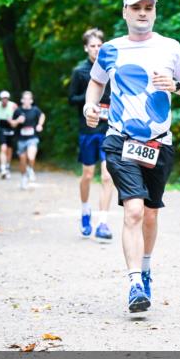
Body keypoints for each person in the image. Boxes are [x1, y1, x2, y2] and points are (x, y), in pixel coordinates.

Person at [84, 0, 180, 313]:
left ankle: (145, 268)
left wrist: (175, 85)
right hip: (121, 140)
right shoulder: (110, 50)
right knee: (133, 209)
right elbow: (96, 82)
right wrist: (90, 107)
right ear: (125, 12)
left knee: (150, 213)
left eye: (149, 7)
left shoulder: (170, 47)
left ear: (155, 11)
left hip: (159, 143)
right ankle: (134, 283)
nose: (143, 12)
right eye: (136, 7)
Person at [69, 28, 115, 239]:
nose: (96, 49)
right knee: (87, 175)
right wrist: (90, 103)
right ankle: (85, 210)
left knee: (108, 176)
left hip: (109, 130)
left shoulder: (112, 69)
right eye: (92, 46)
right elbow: (72, 99)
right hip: (88, 130)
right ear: (86, 48)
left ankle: (103, 223)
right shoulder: (80, 71)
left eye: (99, 45)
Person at [11, 91, 45, 190]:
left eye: (28, 99)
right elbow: (12, 124)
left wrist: (39, 125)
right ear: (22, 100)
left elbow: (42, 115)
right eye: (25, 99)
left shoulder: (35, 110)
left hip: (32, 138)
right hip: (21, 139)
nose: (26, 100)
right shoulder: (18, 111)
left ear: (31, 100)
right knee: (22, 160)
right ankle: (23, 178)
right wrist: (17, 121)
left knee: (31, 156)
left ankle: (30, 169)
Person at [0, 90, 17, 179]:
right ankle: (3, 168)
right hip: (1, 126)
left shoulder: (13, 105)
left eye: (6, 98)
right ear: (0, 99)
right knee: (3, 147)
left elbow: (18, 115)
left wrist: (14, 122)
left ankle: (7, 166)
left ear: (8, 99)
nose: (4, 100)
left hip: (10, 126)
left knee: (9, 149)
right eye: (2, 98)